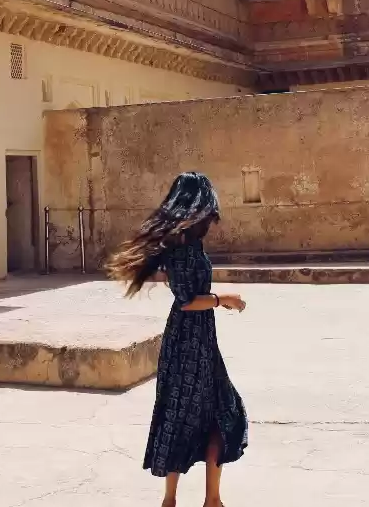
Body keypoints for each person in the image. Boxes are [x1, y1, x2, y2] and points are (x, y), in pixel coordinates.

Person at [107, 172, 248, 507]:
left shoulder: (187, 246)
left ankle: (204, 499)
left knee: (205, 414)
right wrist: (222, 299)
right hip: (188, 342)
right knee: (208, 414)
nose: (211, 221)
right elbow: (187, 300)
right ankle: (187, 500)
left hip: (199, 340)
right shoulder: (182, 251)